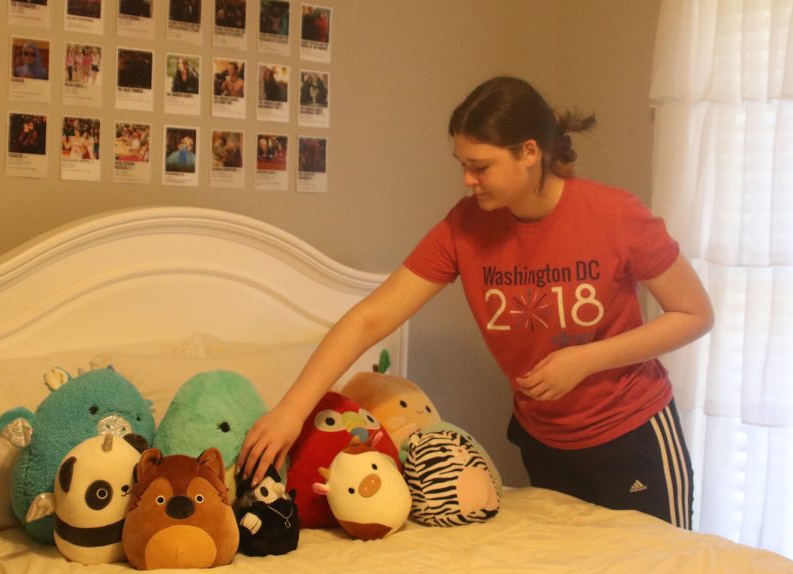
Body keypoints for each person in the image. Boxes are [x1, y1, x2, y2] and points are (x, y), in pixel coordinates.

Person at [237, 76, 714, 529]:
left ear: (530, 152)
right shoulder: (464, 228)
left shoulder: (614, 216)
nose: (467, 179)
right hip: (544, 440)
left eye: (480, 166)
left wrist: (584, 360)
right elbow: (370, 318)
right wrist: (290, 411)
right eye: (461, 164)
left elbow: (694, 315)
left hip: (631, 434)